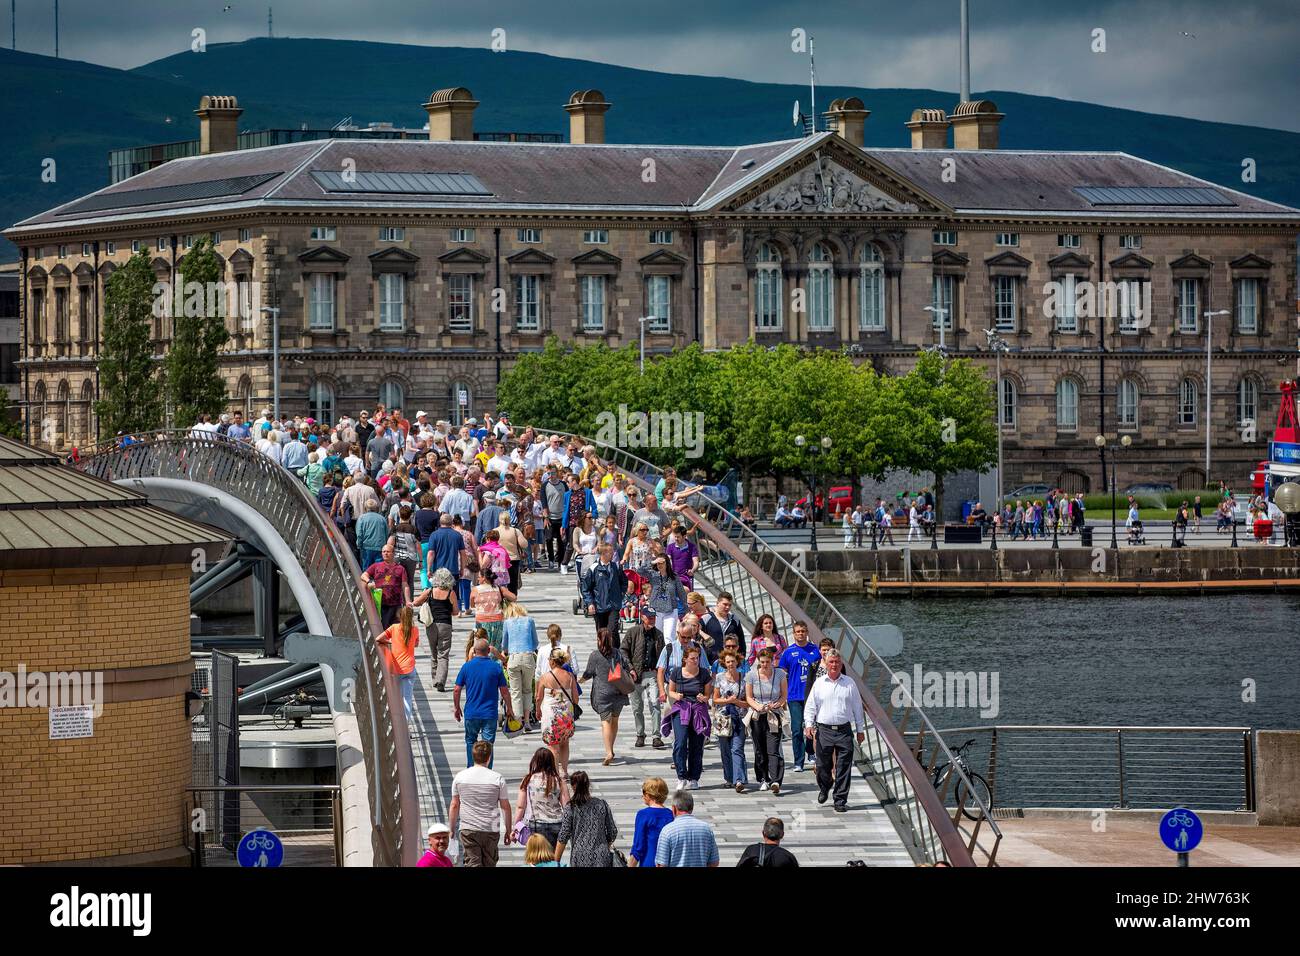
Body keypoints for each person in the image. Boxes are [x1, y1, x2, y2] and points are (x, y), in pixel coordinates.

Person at [804, 649, 867, 813]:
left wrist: (860, 730)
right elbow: (811, 706)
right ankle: (825, 787)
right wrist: (808, 725)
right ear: (827, 663)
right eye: (831, 662)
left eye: (837, 662)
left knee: (844, 766)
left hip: (844, 730)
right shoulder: (819, 683)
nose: (834, 665)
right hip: (824, 730)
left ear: (841, 664)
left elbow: (857, 708)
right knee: (822, 765)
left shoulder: (849, 683)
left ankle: (840, 800)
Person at [448, 740, 512, 867]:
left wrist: (451, 829)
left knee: (472, 863)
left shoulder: (460, 777)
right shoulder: (497, 778)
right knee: (490, 863)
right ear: (489, 757)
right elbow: (505, 807)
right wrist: (508, 830)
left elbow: (454, 805)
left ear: (473, 757)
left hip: (468, 828)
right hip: (490, 828)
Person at [453, 638, 515, 768]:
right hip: (489, 714)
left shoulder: (467, 666)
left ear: (474, 651)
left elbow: (457, 689)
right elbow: (504, 691)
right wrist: (509, 708)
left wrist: (457, 708)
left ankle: (471, 769)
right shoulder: (496, 667)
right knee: (488, 745)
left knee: (470, 741)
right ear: (488, 651)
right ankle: (487, 771)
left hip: (471, 712)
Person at [663, 644, 712, 791]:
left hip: (698, 709)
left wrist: (704, 697)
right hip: (681, 708)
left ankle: (694, 777)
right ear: (685, 659)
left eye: (697, 658)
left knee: (697, 745)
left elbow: (707, 694)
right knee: (680, 742)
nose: (695, 661)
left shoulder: (704, 674)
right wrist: (675, 695)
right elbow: (670, 691)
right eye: (692, 658)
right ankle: (681, 776)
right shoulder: (676, 673)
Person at [580, 628, 631, 766]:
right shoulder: (618, 653)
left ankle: (608, 752)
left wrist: (579, 681)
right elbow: (627, 665)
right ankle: (611, 749)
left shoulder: (595, 655)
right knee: (614, 721)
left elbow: (589, 673)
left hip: (603, 693)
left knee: (605, 722)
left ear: (598, 640)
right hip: (619, 691)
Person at [778, 621, 821, 773]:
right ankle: (798, 761)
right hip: (794, 696)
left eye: (803, 631)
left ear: (807, 632)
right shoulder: (788, 652)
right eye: (798, 631)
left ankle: (811, 751)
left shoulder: (815, 651)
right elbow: (781, 675)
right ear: (793, 634)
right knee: (797, 728)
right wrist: (781, 697)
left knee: (812, 727)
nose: (801, 634)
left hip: (812, 696)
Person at [621, 605, 665, 749]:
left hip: (651, 673)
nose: (652, 620)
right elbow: (623, 651)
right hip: (636, 675)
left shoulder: (658, 634)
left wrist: (661, 673)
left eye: (654, 617)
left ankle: (656, 736)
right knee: (637, 707)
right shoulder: (633, 632)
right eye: (650, 617)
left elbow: (662, 655)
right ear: (643, 617)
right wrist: (631, 668)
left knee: (655, 704)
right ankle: (640, 734)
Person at [553, 770, 619, 867]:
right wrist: (605, 845)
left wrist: (556, 861)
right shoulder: (601, 804)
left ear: (572, 787)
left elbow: (563, 836)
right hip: (601, 856)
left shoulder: (571, 808)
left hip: (579, 855)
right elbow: (612, 831)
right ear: (588, 785)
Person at [745, 647, 787, 795]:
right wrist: (758, 706)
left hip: (773, 714)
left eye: (768, 662)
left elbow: (783, 695)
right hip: (757, 715)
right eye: (762, 662)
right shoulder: (751, 675)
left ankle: (776, 780)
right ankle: (763, 778)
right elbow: (749, 697)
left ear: (772, 661)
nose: (765, 665)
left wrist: (777, 704)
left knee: (773, 748)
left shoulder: (780, 674)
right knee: (760, 749)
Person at [413, 566, 458, 693]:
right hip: (445, 625)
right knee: (443, 654)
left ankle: (434, 679)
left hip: (431, 625)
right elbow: (455, 612)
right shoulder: (451, 593)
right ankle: (441, 681)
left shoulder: (430, 591)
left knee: (433, 653)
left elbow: (416, 602)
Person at [535, 646, 578, 775]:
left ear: (552, 661)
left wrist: (538, 710)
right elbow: (575, 699)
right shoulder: (570, 676)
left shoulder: (545, 677)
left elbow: (538, 697)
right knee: (565, 743)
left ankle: (555, 773)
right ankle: (564, 771)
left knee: (553, 746)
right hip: (566, 714)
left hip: (551, 715)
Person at [712, 648, 750, 792]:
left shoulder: (744, 677)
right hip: (723, 719)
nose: (730, 664)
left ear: (737, 662)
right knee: (725, 750)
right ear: (724, 663)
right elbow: (715, 699)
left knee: (737, 748)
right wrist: (727, 700)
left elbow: (748, 702)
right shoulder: (720, 677)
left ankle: (739, 779)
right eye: (727, 662)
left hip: (739, 717)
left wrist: (736, 702)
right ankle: (729, 778)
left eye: (733, 661)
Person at [516, 747, 569, 849]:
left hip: (536, 824)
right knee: (552, 860)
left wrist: (516, 826)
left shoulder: (527, 780)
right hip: (556, 823)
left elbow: (520, 807)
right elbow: (567, 806)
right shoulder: (559, 780)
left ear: (535, 761)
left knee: (536, 858)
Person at [376, 604, 420, 725]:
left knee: (395, 698)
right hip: (410, 668)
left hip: (396, 669)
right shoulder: (415, 630)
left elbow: (378, 638)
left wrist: (389, 641)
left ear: (398, 616)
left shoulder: (394, 628)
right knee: (407, 699)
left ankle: (393, 723)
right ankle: (405, 726)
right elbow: (416, 644)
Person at [653, 790, 719, 868]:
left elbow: (661, 864)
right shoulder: (706, 829)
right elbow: (714, 862)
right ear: (692, 808)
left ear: (674, 809)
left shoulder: (667, 831)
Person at [360, 540, 411, 629]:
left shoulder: (400, 568)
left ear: (393, 553)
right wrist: (369, 581)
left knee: (396, 628)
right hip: (380, 603)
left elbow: (405, 586)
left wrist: (408, 601)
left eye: (388, 552)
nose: (385, 553)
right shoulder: (376, 566)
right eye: (383, 552)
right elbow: (363, 575)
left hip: (395, 604)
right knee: (384, 627)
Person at [580, 542, 626, 636]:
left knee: (612, 630)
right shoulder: (594, 568)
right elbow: (586, 588)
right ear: (603, 554)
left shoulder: (616, 567)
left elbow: (624, 582)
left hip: (614, 605)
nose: (613, 554)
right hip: (599, 606)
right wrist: (590, 603)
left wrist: (620, 594)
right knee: (602, 633)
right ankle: (603, 650)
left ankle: (615, 650)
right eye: (610, 552)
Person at [628, 777, 674, 868]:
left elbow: (638, 847)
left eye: (643, 792)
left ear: (649, 795)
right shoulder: (671, 815)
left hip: (649, 862)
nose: (642, 796)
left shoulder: (643, 815)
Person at [355, 499, 390, 571]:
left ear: (365, 508)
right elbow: (387, 533)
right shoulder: (382, 519)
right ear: (376, 508)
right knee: (379, 570)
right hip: (380, 547)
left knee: (367, 570)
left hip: (366, 547)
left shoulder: (362, 518)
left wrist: (359, 544)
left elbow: (359, 534)